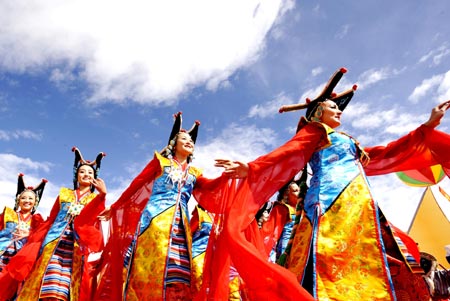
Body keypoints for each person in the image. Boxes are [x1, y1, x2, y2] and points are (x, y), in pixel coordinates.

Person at [214, 67, 450, 300]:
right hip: (328, 203)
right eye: (333, 107)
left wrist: (425, 128)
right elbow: (289, 153)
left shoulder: (348, 142)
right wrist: (253, 168)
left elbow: (386, 152)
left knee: (380, 253)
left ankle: (425, 285)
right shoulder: (315, 132)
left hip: (359, 205)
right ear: (318, 113)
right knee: (328, 258)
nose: (339, 112)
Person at [94, 112, 229, 301]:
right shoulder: (160, 162)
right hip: (155, 221)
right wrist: (117, 206)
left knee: (178, 275)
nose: (189, 142)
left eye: (191, 140)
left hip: (180, 228)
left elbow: (210, 188)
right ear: (173, 143)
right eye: (184, 138)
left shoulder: (195, 172)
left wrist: (228, 176)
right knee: (149, 267)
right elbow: (137, 184)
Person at [0, 147, 107, 301]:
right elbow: (51, 218)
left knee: (65, 289)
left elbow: (95, 221)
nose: (86, 175)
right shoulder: (64, 193)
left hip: (76, 247)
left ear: (95, 177)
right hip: (54, 241)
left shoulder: (94, 199)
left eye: (90, 173)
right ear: (76, 175)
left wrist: (102, 195)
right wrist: (34, 238)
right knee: (46, 282)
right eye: (82, 171)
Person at [0, 173, 47, 271]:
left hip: (20, 260)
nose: (27, 201)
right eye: (23, 198)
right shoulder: (8, 214)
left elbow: (41, 240)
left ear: (35, 202)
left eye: (30, 198)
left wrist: (29, 234)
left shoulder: (38, 221)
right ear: (18, 200)